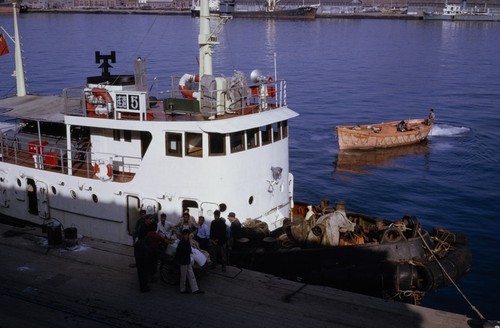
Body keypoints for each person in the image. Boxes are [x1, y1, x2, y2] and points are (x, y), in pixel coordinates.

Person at [176, 229, 204, 294]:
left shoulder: (187, 242)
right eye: (186, 235)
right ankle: (182, 289)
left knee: (191, 275)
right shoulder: (181, 243)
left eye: (188, 235)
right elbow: (179, 253)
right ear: (183, 235)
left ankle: (195, 289)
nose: (187, 236)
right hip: (183, 261)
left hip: (187, 260)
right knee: (183, 276)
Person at [134, 228, 151, 293]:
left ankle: (143, 287)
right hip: (143, 262)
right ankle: (144, 288)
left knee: (141, 275)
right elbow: (146, 254)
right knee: (144, 276)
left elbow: (135, 254)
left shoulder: (137, 243)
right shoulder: (144, 243)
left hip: (139, 261)